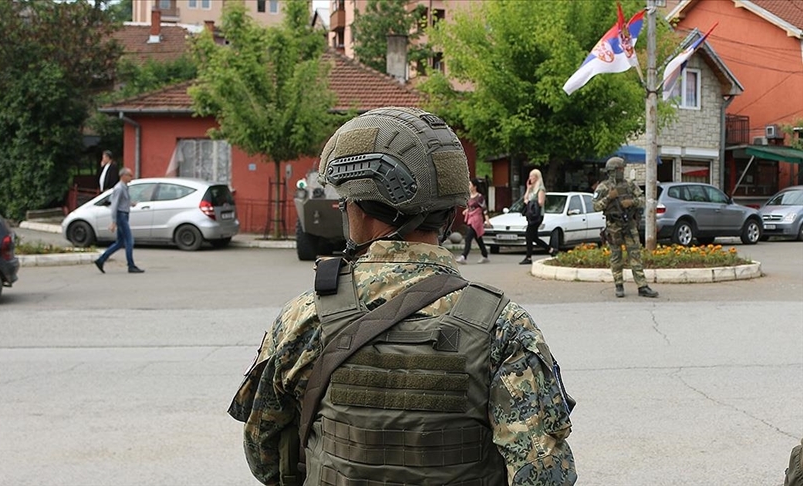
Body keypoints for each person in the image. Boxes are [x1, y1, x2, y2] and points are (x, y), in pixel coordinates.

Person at [228, 107, 576, 485]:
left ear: (358, 210)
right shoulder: (503, 325)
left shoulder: (304, 317)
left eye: (346, 202)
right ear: (450, 213)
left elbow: (265, 455)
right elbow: (545, 475)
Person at [592, 157, 657, 298]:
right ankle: (619, 285)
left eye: (622, 169)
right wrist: (609, 198)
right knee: (616, 257)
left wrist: (631, 202)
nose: (622, 171)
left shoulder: (629, 185)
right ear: (613, 171)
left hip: (629, 225)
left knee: (635, 255)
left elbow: (642, 200)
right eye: (620, 169)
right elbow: (595, 206)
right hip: (613, 227)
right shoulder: (603, 187)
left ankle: (642, 286)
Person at [94, 168, 144, 274]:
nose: (131, 177)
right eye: (130, 175)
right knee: (129, 241)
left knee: (120, 242)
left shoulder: (124, 187)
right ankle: (131, 265)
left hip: (124, 215)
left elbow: (122, 201)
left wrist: (130, 203)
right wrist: (113, 221)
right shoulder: (119, 188)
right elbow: (114, 205)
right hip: (121, 216)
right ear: (123, 176)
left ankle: (101, 260)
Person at [520, 168, 556, 265]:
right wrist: (528, 188)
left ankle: (528, 257)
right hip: (531, 215)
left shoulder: (541, 189)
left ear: (537, 177)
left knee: (528, 235)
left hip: (537, 215)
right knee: (534, 237)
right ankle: (551, 250)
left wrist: (529, 202)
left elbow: (540, 202)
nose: (530, 178)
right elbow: (525, 198)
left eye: (532, 176)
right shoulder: (532, 189)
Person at [455, 178, 490, 264]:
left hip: (477, 220)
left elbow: (484, 209)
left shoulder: (479, 197)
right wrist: (466, 211)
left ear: (475, 186)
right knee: (478, 238)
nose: (469, 186)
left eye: (470, 184)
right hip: (471, 218)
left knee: (468, 238)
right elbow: (470, 207)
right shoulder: (469, 196)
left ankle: (464, 256)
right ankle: (485, 255)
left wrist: (487, 221)